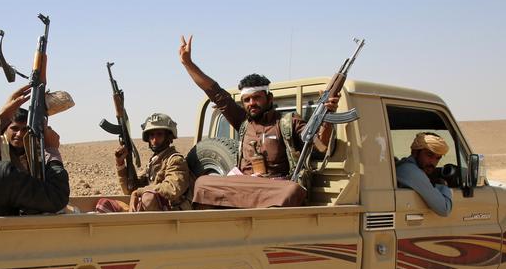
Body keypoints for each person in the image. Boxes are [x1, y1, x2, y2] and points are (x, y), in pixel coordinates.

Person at [179, 35, 340, 179]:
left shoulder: (287, 123)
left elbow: (320, 146)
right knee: (203, 185)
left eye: (256, 98)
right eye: (247, 100)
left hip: (275, 185)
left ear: (269, 98)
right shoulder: (243, 122)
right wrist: (188, 64)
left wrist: (327, 116)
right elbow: (216, 93)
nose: (251, 103)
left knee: (290, 193)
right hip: (246, 185)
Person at [96, 113, 192, 212]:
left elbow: (172, 189)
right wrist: (120, 164)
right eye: (151, 135)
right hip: (155, 212)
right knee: (104, 203)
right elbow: (130, 189)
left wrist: (139, 192)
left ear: (168, 137)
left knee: (148, 198)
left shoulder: (175, 160)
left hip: (172, 214)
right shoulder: (155, 162)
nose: (154, 140)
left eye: (159, 134)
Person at [396, 132, 452, 217]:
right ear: (415, 152)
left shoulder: (404, 165)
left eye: (437, 158)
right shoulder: (412, 172)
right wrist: (443, 186)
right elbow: (444, 208)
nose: (433, 162)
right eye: (429, 155)